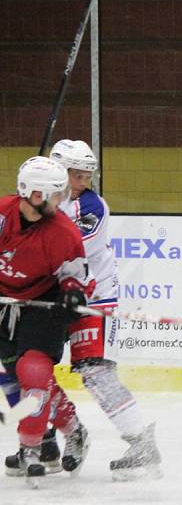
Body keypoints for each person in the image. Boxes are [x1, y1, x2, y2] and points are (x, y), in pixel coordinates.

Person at [49, 139, 162, 480]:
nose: (83, 181)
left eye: (87, 175)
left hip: (91, 299)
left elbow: (67, 251)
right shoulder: (40, 201)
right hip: (47, 297)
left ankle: (142, 444)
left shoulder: (92, 207)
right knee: (30, 366)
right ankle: (45, 441)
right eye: (76, 174)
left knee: (95, 372)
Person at [0, 156, 96, 487]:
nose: (61, 202)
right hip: (5, 304)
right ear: (36, 195)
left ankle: (31, 447)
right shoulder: (1, 215)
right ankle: (75, 430)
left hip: (43, 304)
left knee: (35, 372)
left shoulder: (63, 231)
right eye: (56, 195)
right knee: (20, 379)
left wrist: (71, 294)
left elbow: (75, 275)